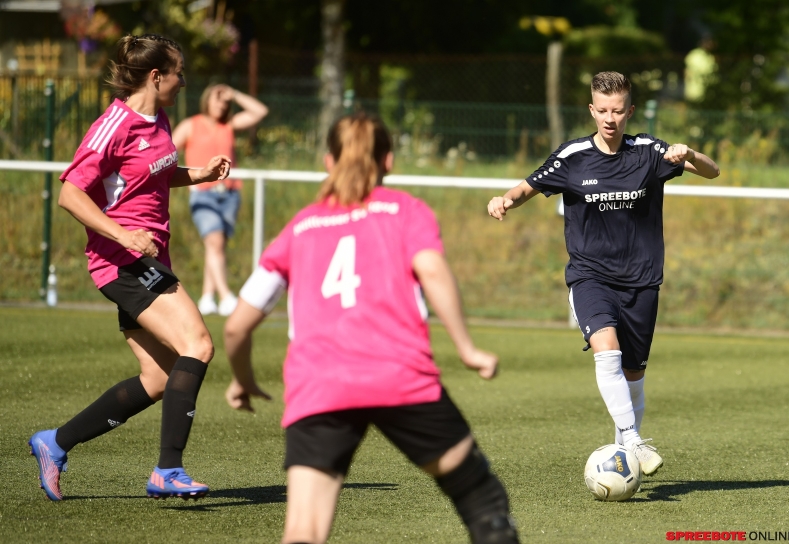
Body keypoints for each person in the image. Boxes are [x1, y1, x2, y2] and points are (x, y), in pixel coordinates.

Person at [223, 113, 520, 544]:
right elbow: (433, 271)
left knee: (304, 531)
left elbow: (236, 327)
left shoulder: (299, 227)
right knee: (480, 497)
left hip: (319, 386)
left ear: (328, 161)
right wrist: (467, 349)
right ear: (389, 160)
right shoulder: (407, 211)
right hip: (398, 376)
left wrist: (243, 379)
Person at [28, 34, 232, 501]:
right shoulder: (113, 125)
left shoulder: (159, 118)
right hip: (122, 261)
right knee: (198, 345)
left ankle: (55, 443)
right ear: (156, 77)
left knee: (158, 379)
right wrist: (124, 235)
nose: (184, 82)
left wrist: (199, 174)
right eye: (179, 73)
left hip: (147, 258)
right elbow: (70, 194)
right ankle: (168, 470)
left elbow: (151, 174)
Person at [487, 71, 720, 477]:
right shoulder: (572, 156)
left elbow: (712, 171)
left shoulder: (650, 152)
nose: (610, 118)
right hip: (590, 275)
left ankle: (624, 453)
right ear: (592, 110)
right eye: (603, 110)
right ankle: (633, 441)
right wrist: (503, 199)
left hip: (642, 279)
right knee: (607, 350)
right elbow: (527, 187)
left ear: (630, 111)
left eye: (618, 111)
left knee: (633, 375)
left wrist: (691, 154)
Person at [171, 84, 268, 317]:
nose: (221, 105)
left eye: (225, 102)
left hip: (229, 194)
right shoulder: (191, 125)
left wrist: (235, 94)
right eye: (217, 99)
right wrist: (187, 177)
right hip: (203, 194)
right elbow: (166, 153)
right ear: (206, 100)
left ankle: (207, 297)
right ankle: (226, 296)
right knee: (214, 242)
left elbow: (260, 112)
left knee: (216, 246)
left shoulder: (229, 125)